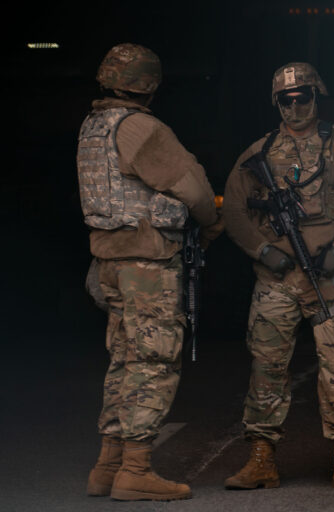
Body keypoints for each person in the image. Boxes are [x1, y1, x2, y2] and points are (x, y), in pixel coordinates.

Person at [222, 62, 334, 491]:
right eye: (285, 100)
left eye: (303, 98)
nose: (295, 108)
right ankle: (261, 459)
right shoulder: (258, 152)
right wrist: (263, 250)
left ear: (317, 96)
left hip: (327, 278)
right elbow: (234, 210)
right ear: (276, 103)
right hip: (277, 279)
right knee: (267, 368)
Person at [78, 43, 222, 501]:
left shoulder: (93, 127)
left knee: (123, 360)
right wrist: (211, 223)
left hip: (110, 262)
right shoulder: (139, 127)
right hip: (147, 262)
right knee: (154, 360)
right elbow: (192, 187)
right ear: (150, 85)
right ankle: (136, 469)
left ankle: (107, 466)